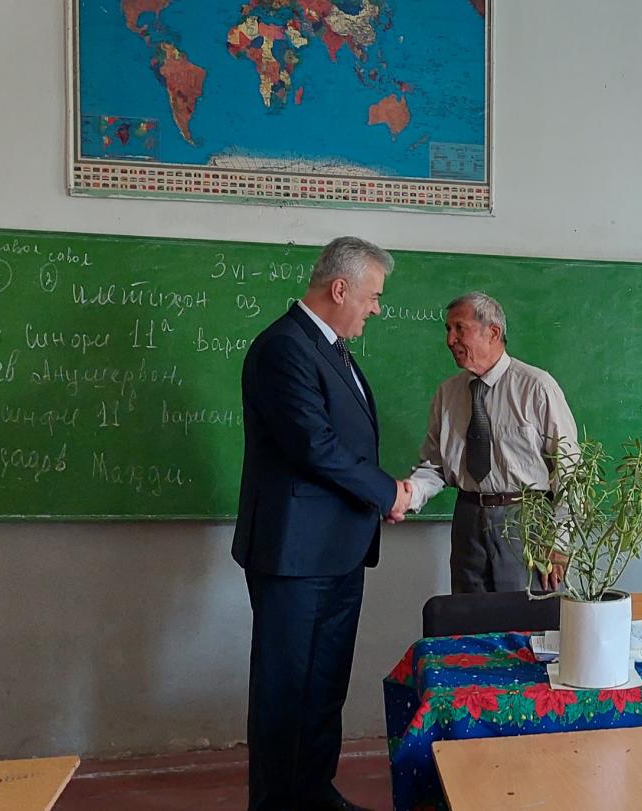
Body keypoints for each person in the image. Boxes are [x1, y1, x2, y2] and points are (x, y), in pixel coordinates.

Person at [232, 236, 410, 811]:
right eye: (372, 296)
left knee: (324, 685)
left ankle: (313, 793)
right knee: (286, 691)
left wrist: (382, 495)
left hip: (337, 552)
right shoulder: (283, 348)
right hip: (295, 557)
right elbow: (315, 445)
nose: (376, 309)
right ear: (340, 289)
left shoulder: (331, 349)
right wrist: (387, 492)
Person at [398, 291, 577, 593]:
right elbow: (435, 465)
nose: (450, 340)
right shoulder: (448, 394)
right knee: (468, 614)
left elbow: (570, 470)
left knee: (524, 615)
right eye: (448, 329)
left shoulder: (536, 387)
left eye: (460, 328)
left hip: (525, 522)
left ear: (492, 332)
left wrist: (560, 542)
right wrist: (407, 495)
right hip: (467, 520)